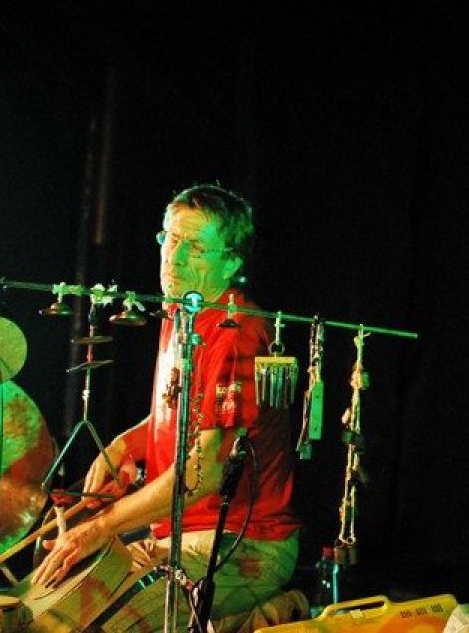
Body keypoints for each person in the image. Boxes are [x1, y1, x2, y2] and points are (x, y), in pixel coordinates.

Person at [32, 184, 301, 630]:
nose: (173, 257)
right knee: (58, 611)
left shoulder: (237, 334)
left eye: (194, 247)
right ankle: (246, 622)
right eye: (170, 238)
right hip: (177, 535)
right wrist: (124, 446)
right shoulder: (181, 313)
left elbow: (203, 474)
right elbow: (179, 413)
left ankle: (256, 618)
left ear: (232, 262)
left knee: (107, 626)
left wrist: (101, 526)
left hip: (242, 544)